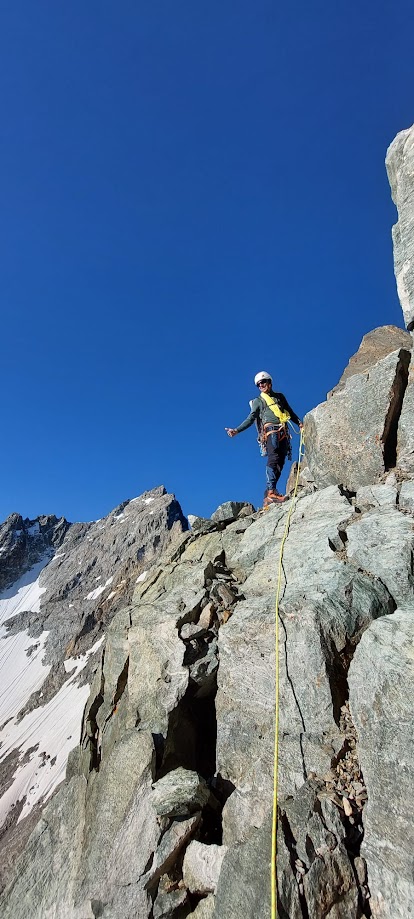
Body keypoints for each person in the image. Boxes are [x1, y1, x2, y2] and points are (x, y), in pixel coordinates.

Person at [225, 371, 302, 507]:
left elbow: (289, 411)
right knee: (273, 457)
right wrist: (237, 430)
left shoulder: (279, 397)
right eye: (259, 384)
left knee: (281, 461)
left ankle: (269, 493)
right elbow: (251, 418)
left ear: (270, 383)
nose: (261, 385)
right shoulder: (258, 401)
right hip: (271, 431)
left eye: (263, 382)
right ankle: (271, 491)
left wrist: (299, 423)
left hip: (283, 430)